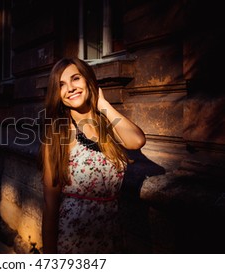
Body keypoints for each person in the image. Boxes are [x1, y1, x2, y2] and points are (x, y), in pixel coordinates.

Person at [39, 57, 146, 253]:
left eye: (76, 79)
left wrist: (103, 104)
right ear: (57, 93)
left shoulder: (108, 125)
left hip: (111, 233)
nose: (70, 88)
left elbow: (136, 141)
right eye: (61, 85)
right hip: (75, 240)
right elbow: (50, 204)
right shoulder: (59, 136)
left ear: (89, 81)